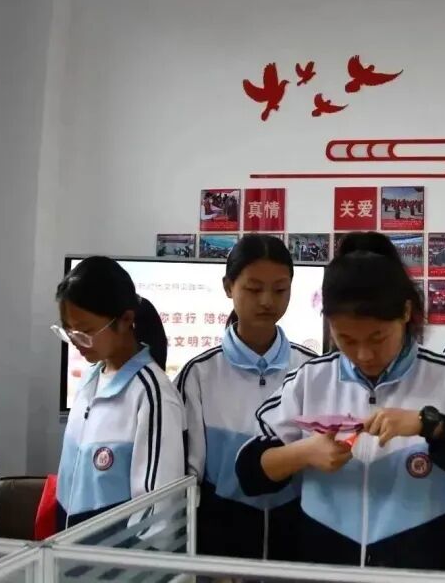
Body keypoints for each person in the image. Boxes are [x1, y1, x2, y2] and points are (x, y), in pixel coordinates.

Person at [236, 232, 445, 571]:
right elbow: (248, 471)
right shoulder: (309, 380)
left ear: (406, 312)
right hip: (326, 570)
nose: (364, 354)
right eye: (346, 339)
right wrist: (304, 453)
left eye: (377, 338)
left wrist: (433, 426)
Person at [176, 235, 315, 559]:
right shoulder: (199, 374)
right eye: (253, 289)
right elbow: (188, 477)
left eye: (280, 290)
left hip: (297, 536)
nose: (267, 301)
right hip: (222, 539)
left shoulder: (311, 370)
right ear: (228, 287)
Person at [52, 256, 185, 530]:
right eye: (69, 331)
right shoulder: (90, 378)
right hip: (69, 546)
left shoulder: (152, 395)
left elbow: (156, 511)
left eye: (85, 331)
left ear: (125, 320)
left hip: (113, 553)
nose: (76, 342)